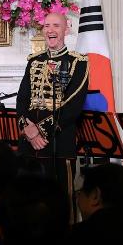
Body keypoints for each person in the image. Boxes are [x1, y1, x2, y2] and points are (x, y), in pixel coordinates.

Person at [16, 13, 89, 166]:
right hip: (28, 145)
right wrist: (27, 129)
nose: (50, 30)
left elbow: (73, 106)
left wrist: (38, 132)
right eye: (47, 26)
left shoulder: (78, 63)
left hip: (58, 142)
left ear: (66, 30)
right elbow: (22, 98)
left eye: (56, 26)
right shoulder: (34, 60)